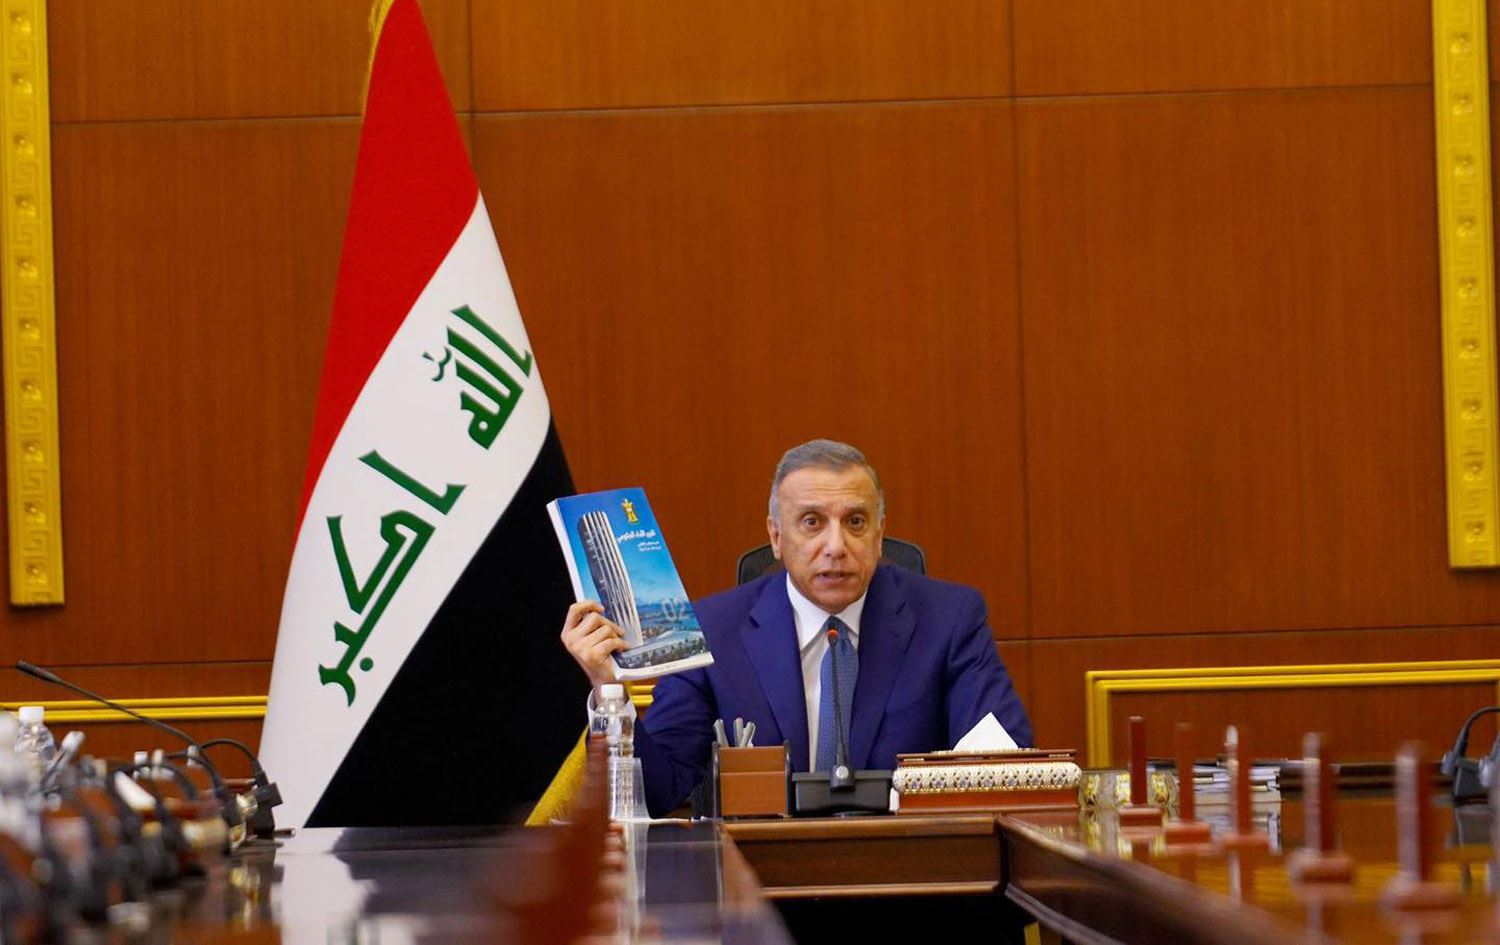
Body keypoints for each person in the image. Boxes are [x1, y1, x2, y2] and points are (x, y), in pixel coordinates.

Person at [561, 439, 1032, 816]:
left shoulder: (948, 619)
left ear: (880, 534)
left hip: (908, 879)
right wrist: (608, 690)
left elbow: (1003, 765)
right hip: (764, 888)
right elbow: (657, 791)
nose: (836, 546)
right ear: (776, 536)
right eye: (812, 522)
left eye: (855, 522)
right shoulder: (713, 632)